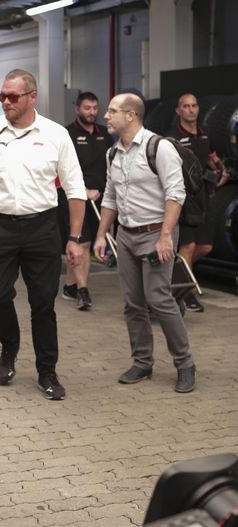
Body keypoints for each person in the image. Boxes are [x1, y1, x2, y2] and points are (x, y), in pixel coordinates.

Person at [0, 69, 87, 401]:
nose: (5, 102)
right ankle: (10, 347)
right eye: (2, 96)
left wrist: (74, 238)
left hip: (42, 228)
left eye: (13, 96)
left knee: (43, 302)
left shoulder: (56, 134)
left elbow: (75, 189)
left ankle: (47, 371)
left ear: (32, 97)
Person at [94, 93, 196, 393]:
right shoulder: (113, 154)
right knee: (133, 304)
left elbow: (175, 194)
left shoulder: (159, 148)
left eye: (112, 111)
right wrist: (102, 234)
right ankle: (142, 362)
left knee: (159, 299)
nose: (106, 116)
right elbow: (110, 197)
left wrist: (166, 235)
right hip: (126, 235)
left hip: (156, 233)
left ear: (131, 115)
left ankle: (185, 364)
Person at [168, 93, 231, 312]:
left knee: (205, 246)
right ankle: (187, 293)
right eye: (186, 106)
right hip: (184, 200)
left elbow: (212, 158)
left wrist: (218, 168)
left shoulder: (204, 134)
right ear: (178, 110)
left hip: (204, 198)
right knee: (188, 245)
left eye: (194, 106)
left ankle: (177, 274)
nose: (191, 110)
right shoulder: (172, 137)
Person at [59, 92, 114, 310]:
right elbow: (61, 169)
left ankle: (71, 286)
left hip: (100, 199)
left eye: (94, 108)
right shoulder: (67, 134)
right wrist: (82, 190)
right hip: (76, 198)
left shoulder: (104, 134)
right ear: (77, 109)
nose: (91, 112)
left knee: (87, 244)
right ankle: (83, 290)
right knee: (80, 243)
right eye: (87, 108)